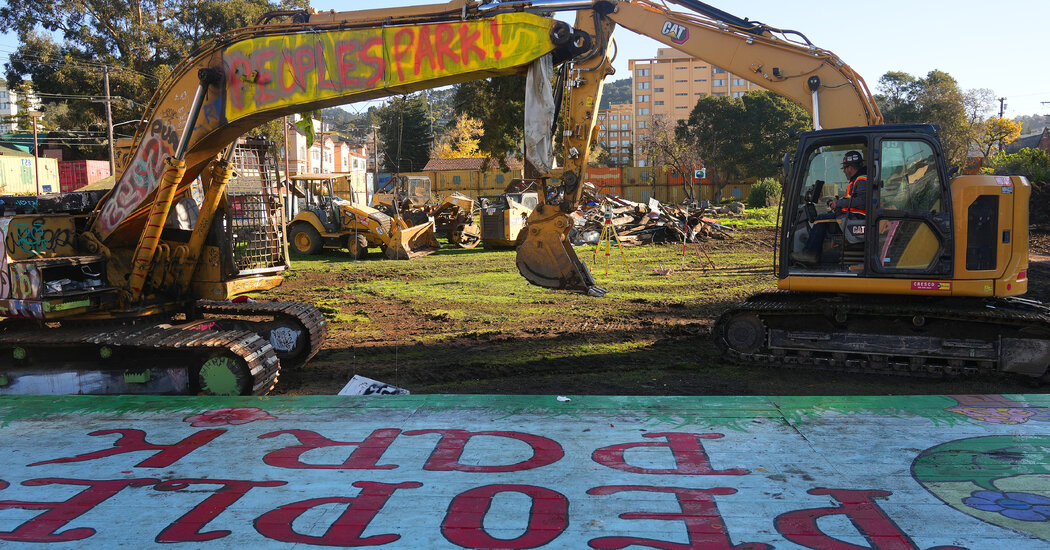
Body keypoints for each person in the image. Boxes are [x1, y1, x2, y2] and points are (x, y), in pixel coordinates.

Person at [791, 150, 868, 265]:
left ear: (850, 168)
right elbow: (853, 199)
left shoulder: (861, 180)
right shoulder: (859, 179)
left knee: (820, 220)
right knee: (824, 219)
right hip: (853, 217)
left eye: (845, 168)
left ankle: (810, 253)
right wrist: (838, 202)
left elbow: (862, 201)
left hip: (855, 219)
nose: (845, 172)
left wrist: (839, 204)